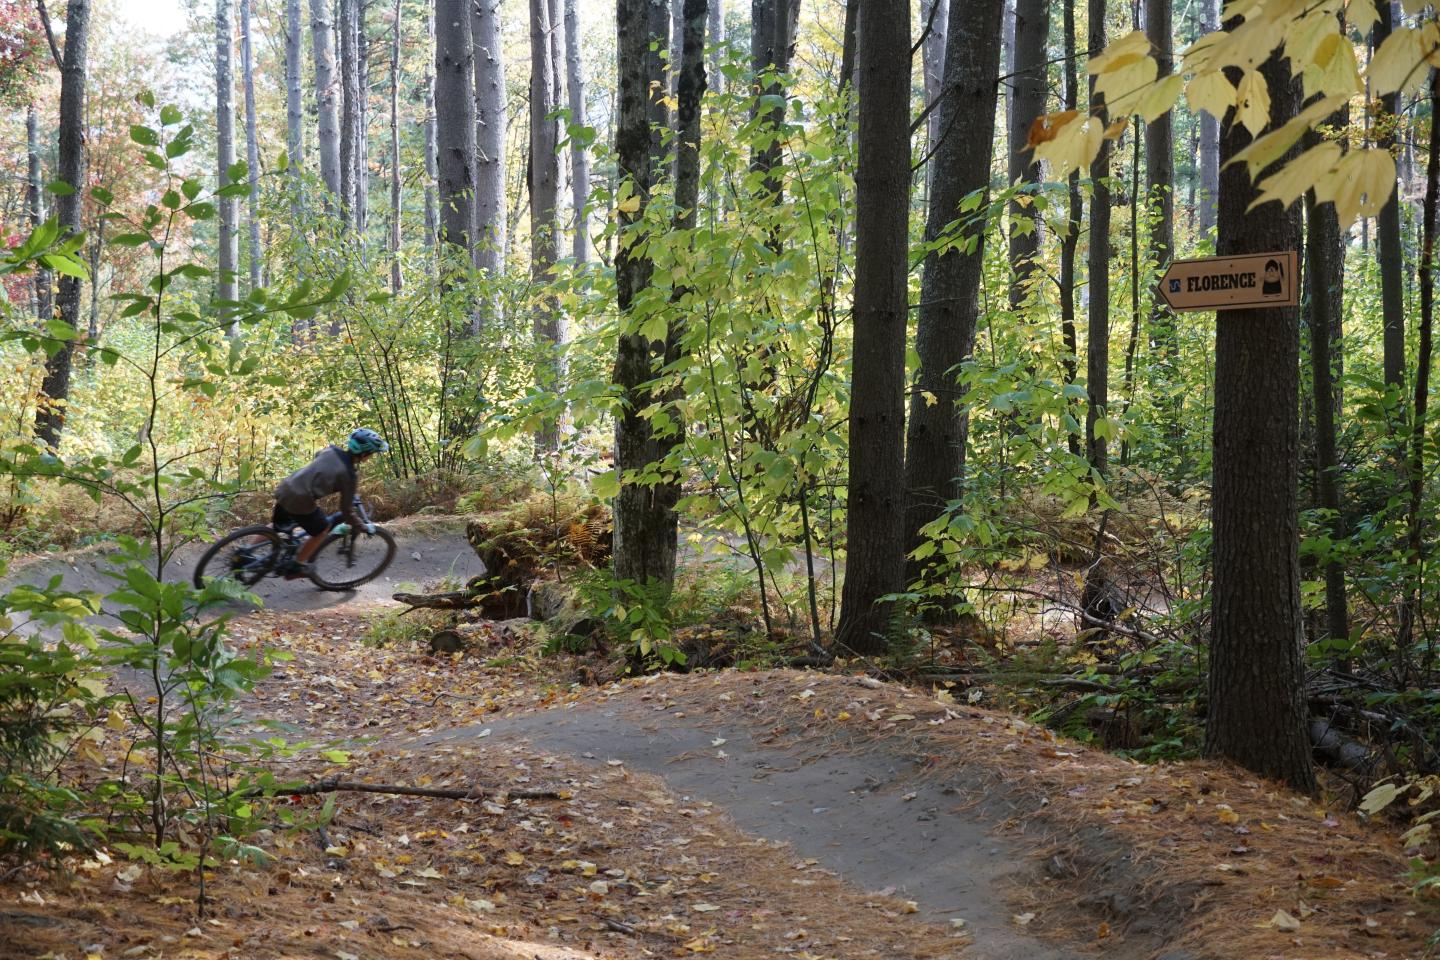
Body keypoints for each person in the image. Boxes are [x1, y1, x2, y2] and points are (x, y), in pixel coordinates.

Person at [272, 428, 389, 577]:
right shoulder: (349, 475)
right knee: (322, 529)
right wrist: (362, 527)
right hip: (301, 499)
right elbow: (346, 510)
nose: (370, 457)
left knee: (276, 526)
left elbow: (318, 456)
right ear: (364, 454)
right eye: (371, 454)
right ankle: (297, 565)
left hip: (286, 487)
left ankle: (245, 553)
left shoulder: (331, 450)